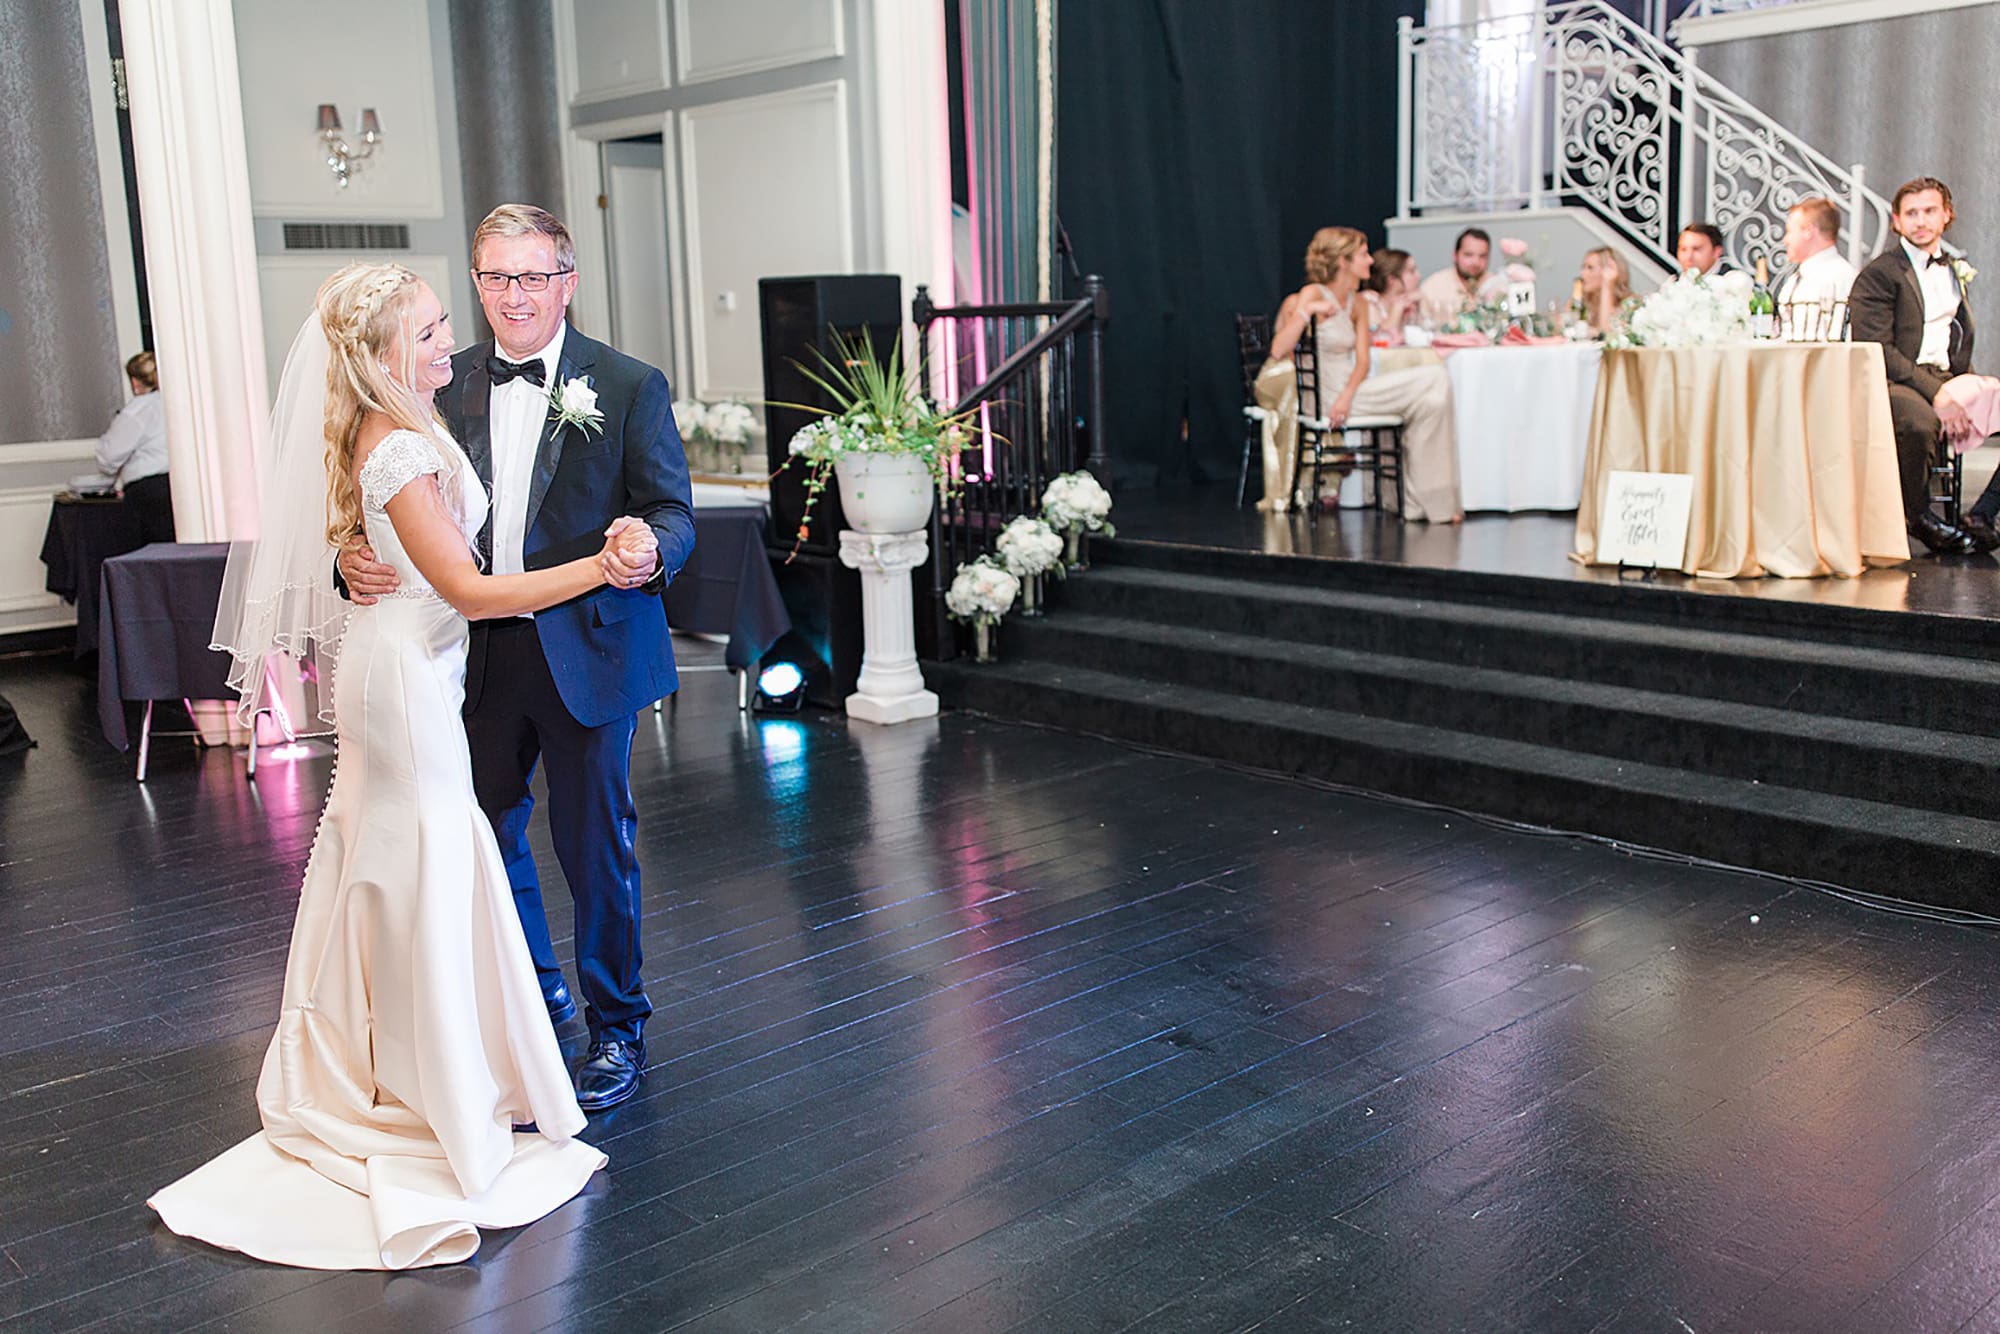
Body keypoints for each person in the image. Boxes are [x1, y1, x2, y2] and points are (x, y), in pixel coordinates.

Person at [151, 262, 661, 1268]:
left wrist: (353, 539)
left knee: (411, 855)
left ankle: (418, 1059)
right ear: (387, 350)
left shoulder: (407, 411)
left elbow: (370, 514)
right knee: (428, 853)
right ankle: (428, 1081)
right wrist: (598, 567)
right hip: (414, 669)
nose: (452, 341)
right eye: (432, 327)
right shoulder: (397, 432)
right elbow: (468, 588)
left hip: (426, 662)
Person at [339, 205, 697, 1111]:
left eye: (532, 277)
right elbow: (386, 509)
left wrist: (650, 550)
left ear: (567, 282)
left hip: (588, 652)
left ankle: (619, 1027)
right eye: (494, 278)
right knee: (485, 838)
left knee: (594, 849)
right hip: (468, 657)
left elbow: (673, 513)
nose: (512, 296)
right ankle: (533, 995)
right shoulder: (432, 382)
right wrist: (348, 560)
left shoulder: (627, 383)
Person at [1267, 227, 1461, 523]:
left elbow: (1362, 360)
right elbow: (1279, 349)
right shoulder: (1312, 293)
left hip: (1349, 393)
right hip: (1324, 396)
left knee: (1432, 399)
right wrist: (1308, 312)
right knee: (1434, 377)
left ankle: (1422, 502)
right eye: (1363, 254)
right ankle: (1427, 503)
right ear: (1343, 261)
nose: (1370, 261)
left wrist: (1347, 396)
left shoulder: (1356, 301)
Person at [1849, 176, 1990, 555]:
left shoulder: (1953, 268)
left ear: (1947, 215)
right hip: (1893, 379)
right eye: (1911, 214)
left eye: (1929, 211)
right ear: (1896, 221)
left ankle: (1984, 514)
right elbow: (1878, 349)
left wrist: (1963, 385)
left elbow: (1957, 334)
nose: (1920, 221)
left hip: (1942, 374)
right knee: (1919, 422)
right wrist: (1939, 393)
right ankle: (1916, 516)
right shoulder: (1880, 273)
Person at [94, 351, 175, 544]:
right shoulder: (180, 403)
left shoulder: (137, 411)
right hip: (179, 487)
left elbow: (109, 455)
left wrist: (110, 470)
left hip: (149, 494)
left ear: (135, 382)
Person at [1774, 197, 1858, 340]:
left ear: (1808, 231)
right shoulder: (1797, 278)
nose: (1785, 240)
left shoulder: (1842, 278)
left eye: (1789, 231)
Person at [1417, 228, 1507, 327]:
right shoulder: (1432, 287)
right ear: (1455, 255)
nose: (1475, 262)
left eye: (1482, 256)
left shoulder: (1498, 286)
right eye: (1468, 255)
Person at [1364, 249, 1421, 341]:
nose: (1418, 275)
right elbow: (1380, 339)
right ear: (1392, 279)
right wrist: (1397, 309)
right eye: (1411, 271)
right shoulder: (1368, 302)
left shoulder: (1411, 302)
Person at [1575, 247, 1632, 337]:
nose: (1582, 274)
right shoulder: (1582, 302)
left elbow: (1608, 334)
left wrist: (1607, 284)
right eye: (1583, 267)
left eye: (1590, 268)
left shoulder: (1628, 305)